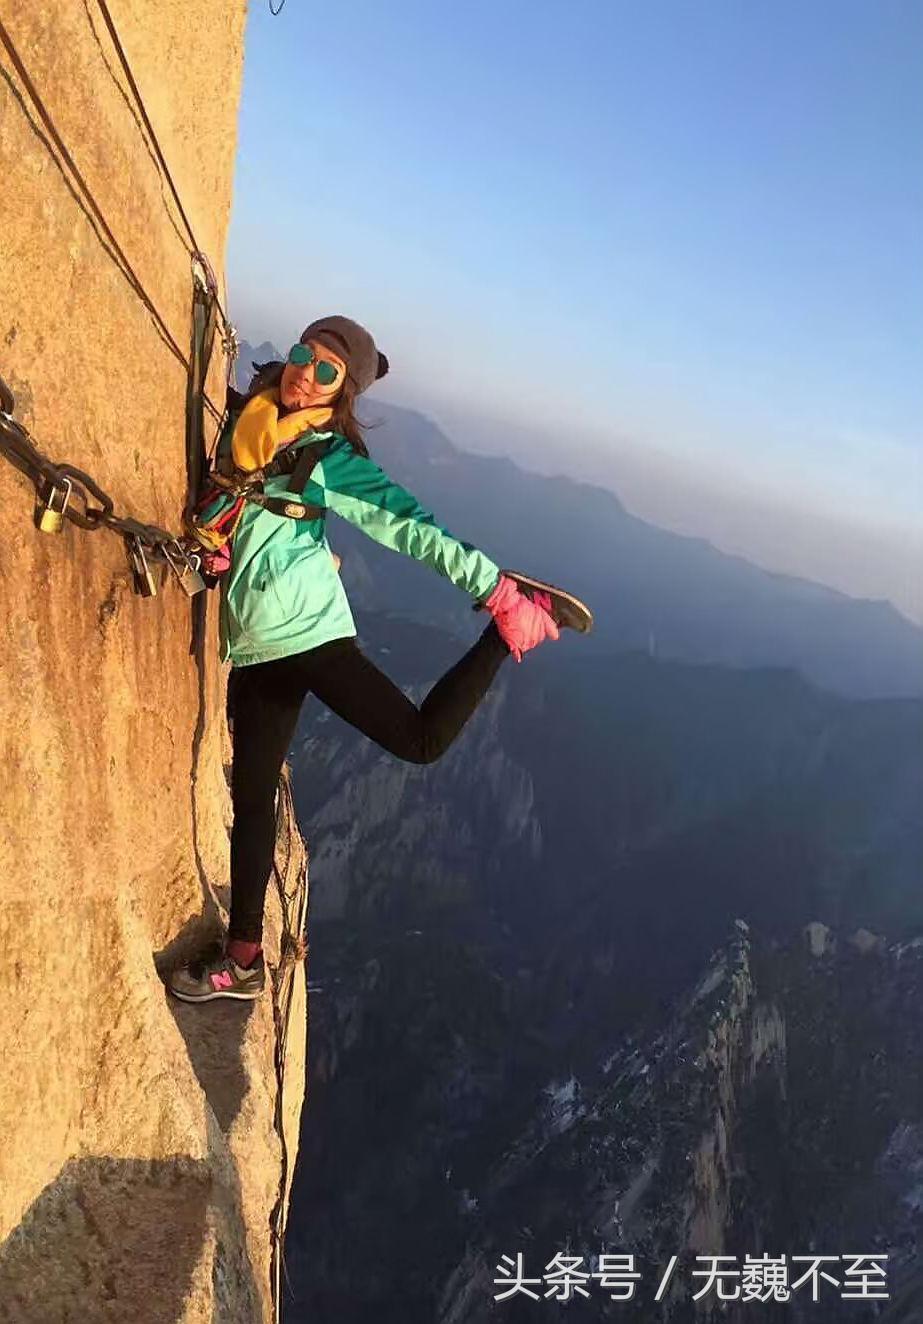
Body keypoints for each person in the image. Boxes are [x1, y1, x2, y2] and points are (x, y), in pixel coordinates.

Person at [167, 315, 591, 1003]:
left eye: (326, 370)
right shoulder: (251, 419)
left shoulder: (329, 459)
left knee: (419, 742)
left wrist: (494, 590)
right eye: (303, 354)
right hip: (257, 643)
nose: (305, 372)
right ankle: (243, 960)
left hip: (307, 638)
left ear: (342, 393)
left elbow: (413, 529)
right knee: (251, 798)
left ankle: (512, 628)